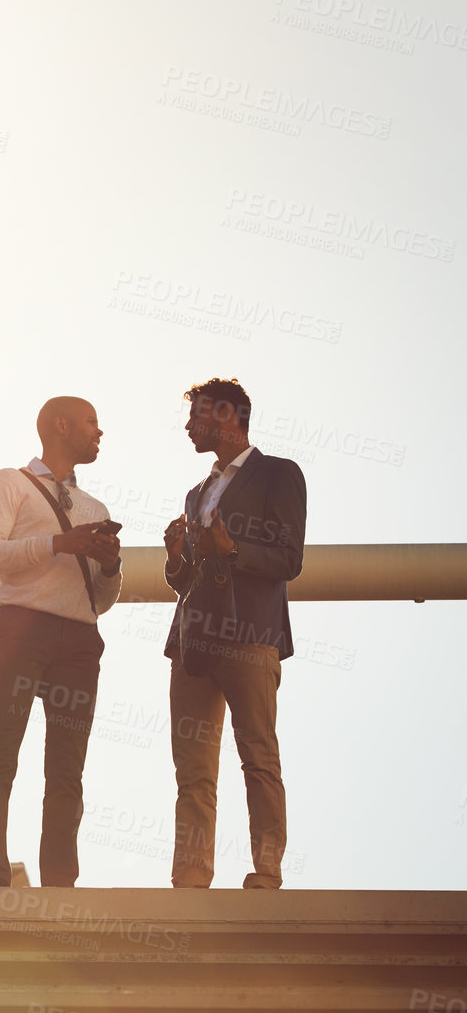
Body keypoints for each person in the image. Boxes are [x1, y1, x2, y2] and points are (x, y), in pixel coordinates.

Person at [0, 396, 122, 888]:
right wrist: (61, 543)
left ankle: (60, 883)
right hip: (20, 629)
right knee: (1, 752)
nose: (100, 433)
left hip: (79, 638)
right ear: (61, 425)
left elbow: (101, 599)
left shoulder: (96, 507)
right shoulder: (9, 482)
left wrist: (111, 564)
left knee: (67, 769)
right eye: (91, 423)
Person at [162, 377, 306, 888]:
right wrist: (177, 558)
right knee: (192, 771)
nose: (187, 426)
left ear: (228, 415)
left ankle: (266, 872)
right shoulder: (195, 492)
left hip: (250, 637)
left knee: (258, 758)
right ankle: (191, 876)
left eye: (197, 415)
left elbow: (290, 559)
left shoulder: (278, 475)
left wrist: (232, 550)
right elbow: (185, 581)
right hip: (194, 642)